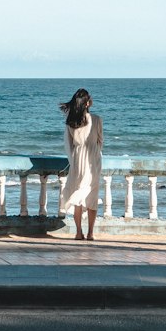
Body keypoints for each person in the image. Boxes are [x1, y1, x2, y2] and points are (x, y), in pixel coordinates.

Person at [59, 87, 102, 241]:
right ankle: (90, 233)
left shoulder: (71, 122)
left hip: (77, 161)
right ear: (87, 103)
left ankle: (78, 233)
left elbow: (68, 145)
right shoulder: (96, 119)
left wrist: (74, 161)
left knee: (78, 198)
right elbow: (100, 142)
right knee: (92, 197)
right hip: (93, 162)